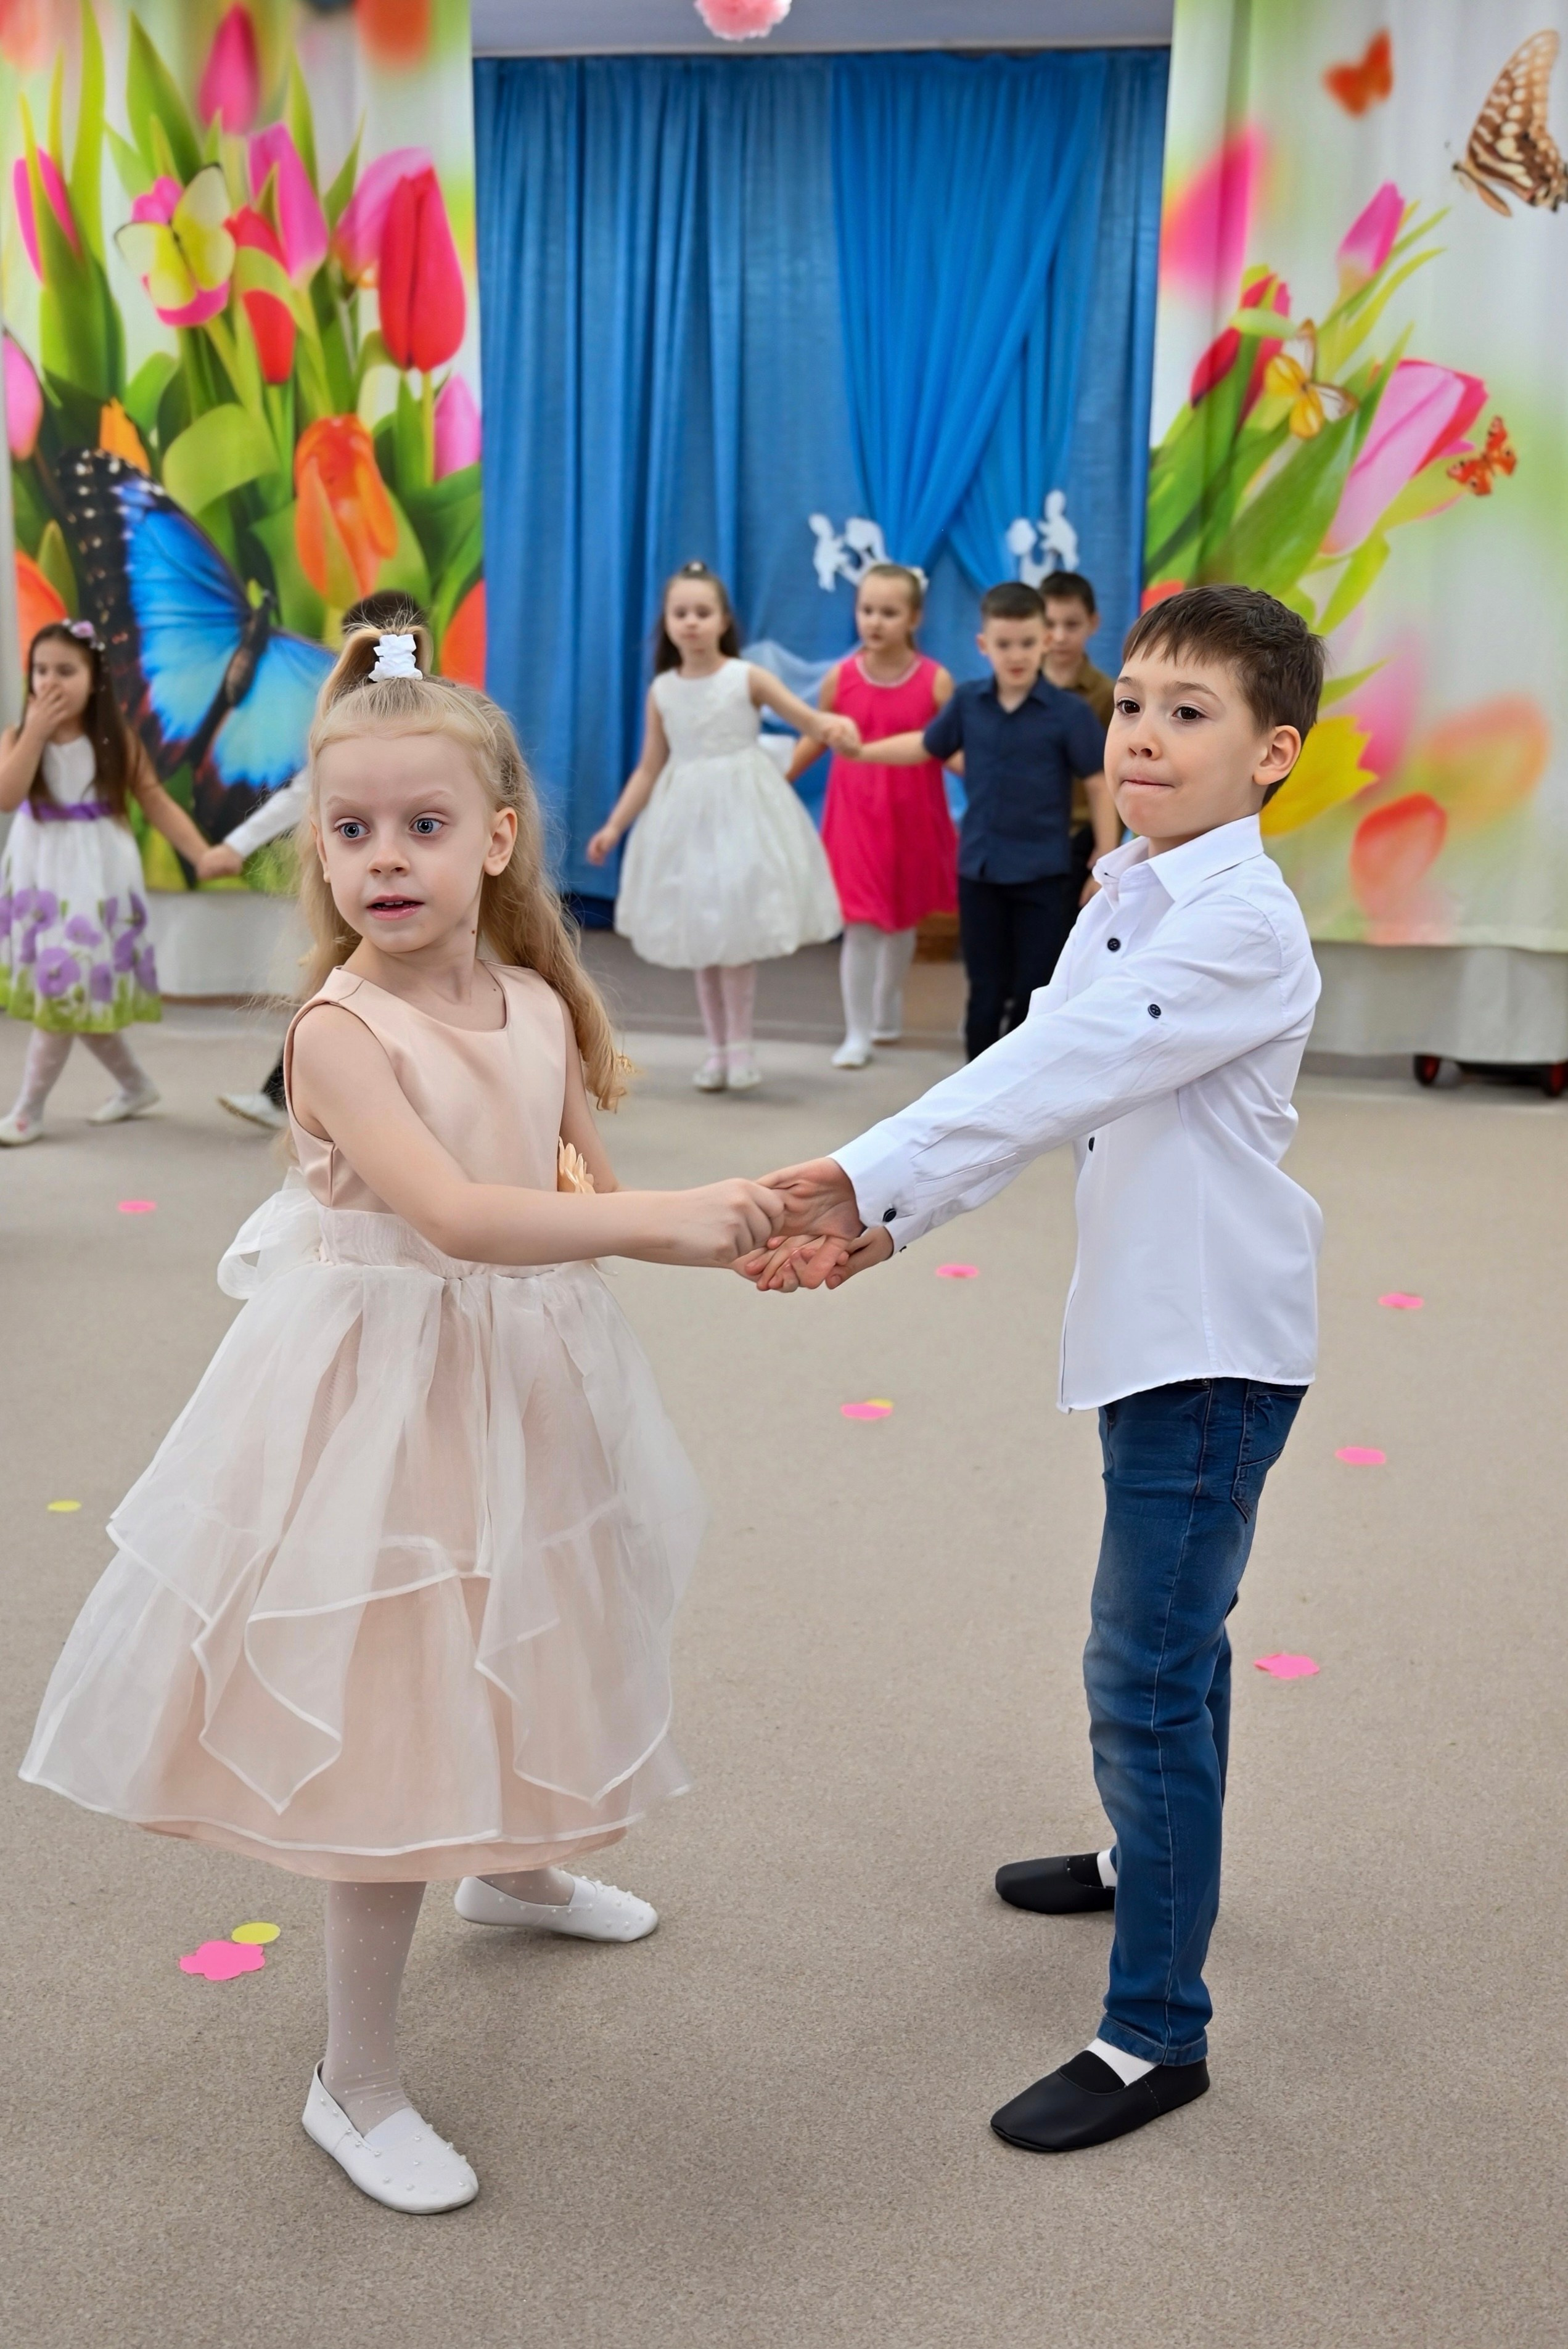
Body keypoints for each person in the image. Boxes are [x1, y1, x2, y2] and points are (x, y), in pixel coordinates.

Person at [21, 622, 786, 2214]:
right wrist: (670, 1227)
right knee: (395, 1707)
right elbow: (457, 1213)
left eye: (422, 827)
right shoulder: (335, 1033)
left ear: (496, 838)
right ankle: (349, 2080)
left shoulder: (523, 992)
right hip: (379, 1400)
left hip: (517, 1372)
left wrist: (747, 1223)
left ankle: (513, 1871)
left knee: (533, 1619)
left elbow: (579, 1178)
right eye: (349, 830)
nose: (381, 859)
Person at [741, 586, 1326, 2155]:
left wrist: (859, 1175)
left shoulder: (1239, 925)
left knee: (1140, 1667)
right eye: (1129, 701)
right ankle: (1152, 1858)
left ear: (1273, 755)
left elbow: (1062, 1060)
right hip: (1153, 1328)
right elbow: (1041, 1079)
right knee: (1177, 1645)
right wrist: (895, 1217)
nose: (1140, 733)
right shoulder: (1132, 882)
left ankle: (1156, 2034)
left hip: (1209, 1348)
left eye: (1188, 712)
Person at [586, 560, 855, 1093]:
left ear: (723, 620)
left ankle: (741, 1046)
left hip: (743, 814)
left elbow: (805, 719)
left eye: (702, 612)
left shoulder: (746, 677)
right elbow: (648, 766)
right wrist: (615, 825)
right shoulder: (663, 690)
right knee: (703, 939)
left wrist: (832, 725)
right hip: (685, 820)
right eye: (680, 612)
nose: (691, 622)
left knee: (734, 935)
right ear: (666, 621)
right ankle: (715, 1048)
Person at [851, 581, 1116, 1061]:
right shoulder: (969, 702)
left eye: (1027, 643)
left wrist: (1104, 855)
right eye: (1004, 644)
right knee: (984, 987)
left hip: (1042, 874)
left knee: (1033, 985)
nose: (1016, 655)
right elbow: (926, 745)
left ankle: (1019, 1080)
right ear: (983, 645)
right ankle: (975, 1082)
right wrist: (862, 751)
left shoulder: (1069, 714)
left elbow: (1099, 783)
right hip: (980, 871)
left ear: (1045, 642)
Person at [199, 592, 431, 1134]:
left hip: (421, 903)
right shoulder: (342, 727)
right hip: (370, 901)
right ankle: (286, 1095)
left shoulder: (440, 721)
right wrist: (236, 845)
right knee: (338, 985)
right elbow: (302, 793)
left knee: (370, 989)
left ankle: (295, 1095)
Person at [0, 620, 211, 1144]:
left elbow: (158, 803)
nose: (50, 682)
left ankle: (28, 1109)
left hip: (95, 877)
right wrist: (34, 733)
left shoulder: (117, 741)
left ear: (94, 678)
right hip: (42, 876)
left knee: (66, 986)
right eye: (41, 670)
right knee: (72, 991)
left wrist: (202, 854)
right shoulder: (19, 737)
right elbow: (7, 796)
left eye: (65, 671)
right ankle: (136, 1084)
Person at [787, 562, 958, 1069]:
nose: (875, 622)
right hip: (855, 817)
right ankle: (856, 1030)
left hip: (912, 817)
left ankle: (886, 1004)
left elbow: (951, 749)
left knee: (901, 924)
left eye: (888, 612)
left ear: (914, 617)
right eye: (866, 610)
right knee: (860, 926)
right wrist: (775, 779)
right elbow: (815, 737)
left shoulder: (936, 682)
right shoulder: (840, 680)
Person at [1040, 572, 1119, 903]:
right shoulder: (1015, 688)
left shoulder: (1107, 695)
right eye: (1049, 623)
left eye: (1071, 625)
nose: (1059, 637)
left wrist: (1106, 860)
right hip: (1019, 835)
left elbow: (1115, 779)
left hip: (1078, 837)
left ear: (1093, 623)